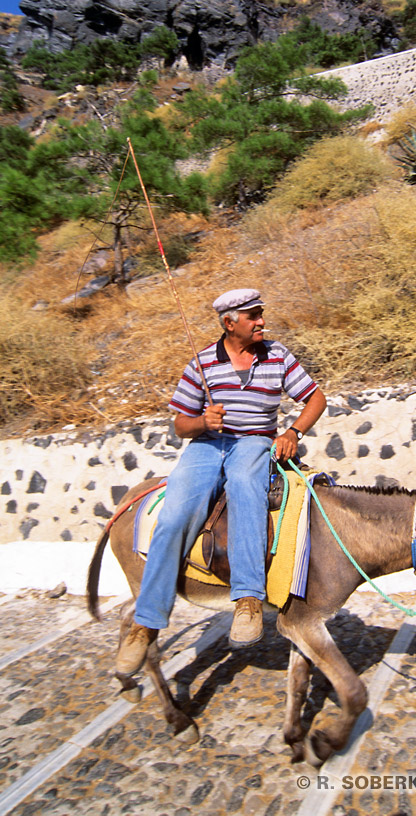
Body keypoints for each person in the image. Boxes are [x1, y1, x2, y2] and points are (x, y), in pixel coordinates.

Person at [116, 288, 326, 675]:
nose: (261, 321)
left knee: (246, 488)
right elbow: (181, 424)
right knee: (176, 514)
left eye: (261, 314)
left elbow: (315, 398)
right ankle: (146, 624)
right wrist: (201, 422)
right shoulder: (201, 364)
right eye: (253, 316)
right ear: (230, 323)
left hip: (254, 442)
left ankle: (247, 599)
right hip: (207, 447)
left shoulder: (277, 355)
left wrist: (293, 432)